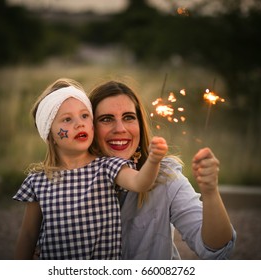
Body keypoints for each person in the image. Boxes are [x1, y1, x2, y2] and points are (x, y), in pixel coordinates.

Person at [13, 78, 168, 260]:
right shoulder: (38, 181)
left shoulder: (107, 167)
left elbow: (140, 182)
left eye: (85, 116)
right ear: (50, 134)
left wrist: (153, 160)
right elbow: (28, 235)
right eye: (67, 119)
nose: (79, 123)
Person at [88, 80, 236, 259]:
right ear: (90, 128)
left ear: (140, 125)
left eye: (128, 117)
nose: (120, 129)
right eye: (106, 119)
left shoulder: (164, 176)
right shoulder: (71, 180)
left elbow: (216, 250)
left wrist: (211, 191)